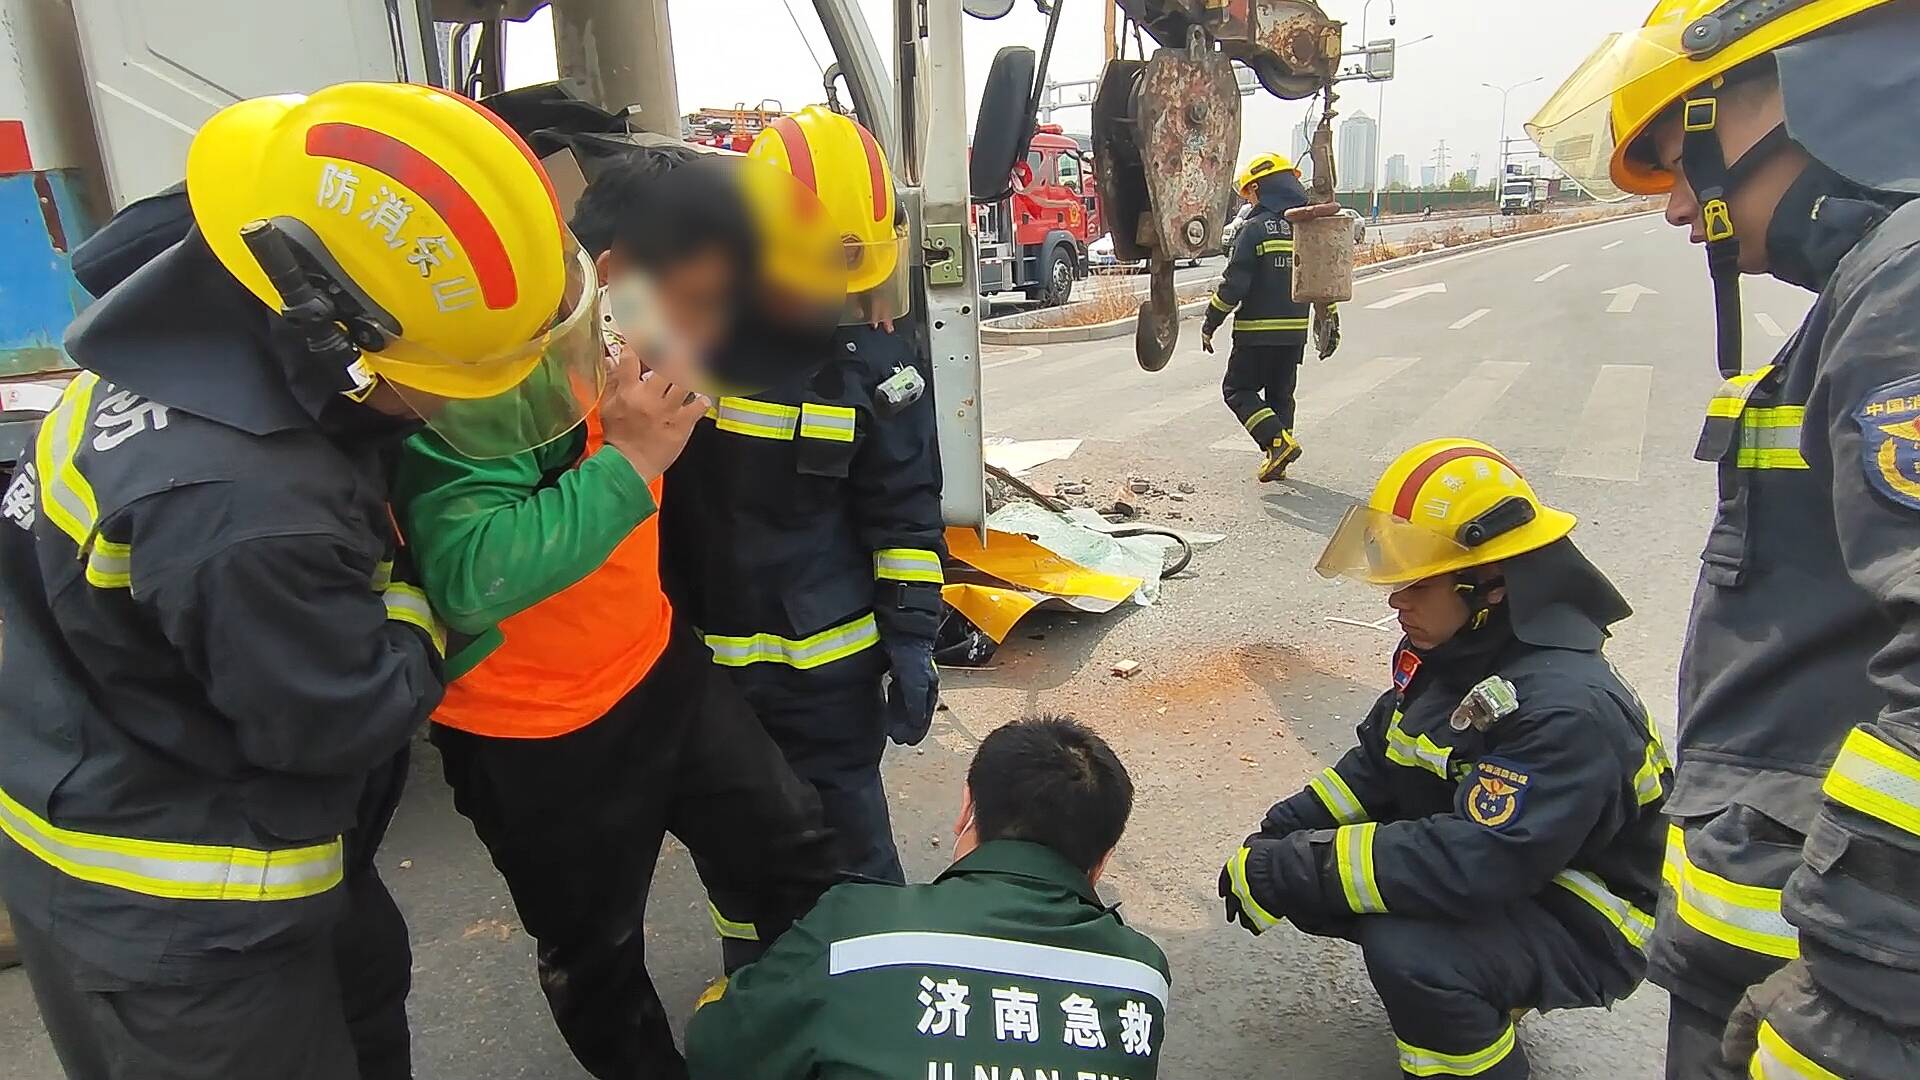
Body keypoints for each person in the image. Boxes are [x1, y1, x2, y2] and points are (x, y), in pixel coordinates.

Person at [0, 82, 581, 1079]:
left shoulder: (211, 308)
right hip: (188, 924)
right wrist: (428, 599)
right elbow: (335, 719)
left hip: (148, 779)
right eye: (442, 376)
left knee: (368, 991)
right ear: (340, 335)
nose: (442, 400)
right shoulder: (249, 506)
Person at [390, 148, 842, 1080]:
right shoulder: (496, 369)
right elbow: (470, 574)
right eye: (698, 296)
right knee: (597, 956)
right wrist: (633, 457)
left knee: (793, 847)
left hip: (653, 665)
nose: (707, 326)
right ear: (615, 268)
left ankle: (797, 1039)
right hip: (531, 730)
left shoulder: (633, 343)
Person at [1529, 3, 1920, 1075]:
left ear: (1791, 87)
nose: (1680, 210)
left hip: (1829, 993)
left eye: (1676, 158)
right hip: (1777, 955)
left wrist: (1859, 1015)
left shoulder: (1906, 288)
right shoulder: (1875, 285)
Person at [1219, 438, 1670, 1080]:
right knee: (1318, 878)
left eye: (1415, 583)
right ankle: (1487, 982)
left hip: (1591, 913)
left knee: (1412, 951)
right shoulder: (1456, 655)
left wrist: (1300, 868)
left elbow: (1476, 861)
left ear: (1490, 584)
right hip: (1521, 865)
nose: (1394, 601)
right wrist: (1279, 835)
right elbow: (1380, 764)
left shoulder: (1567, 709)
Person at [662, 106, 945, 890]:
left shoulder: (881, 368)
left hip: (831, 674)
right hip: (708, 671)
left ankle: (870, 986)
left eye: (847, 263)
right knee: (738, 850)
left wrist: (913, 638)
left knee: (853, 846)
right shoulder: (680, 345)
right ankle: (760, 986)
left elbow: (906, 514)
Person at [684, 714, 1169, 1080]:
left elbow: (717, 1052)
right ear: (1102, 860)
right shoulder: (1141, 976)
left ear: (966, 810)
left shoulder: (852, 929)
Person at [1201, 152, 1327, 482]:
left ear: (1259, 189)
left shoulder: (1255, 230)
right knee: (1280, 395)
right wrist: (1331, 321)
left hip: (1257, 332)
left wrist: (1210, 322)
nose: (1250, 200)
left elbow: (1234, 285)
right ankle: (1279, 454)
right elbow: (1324, 279)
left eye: (1249, 193)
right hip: (1294, 333)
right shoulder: (1308, 229)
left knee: (1237, 390)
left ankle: (1275, 442)